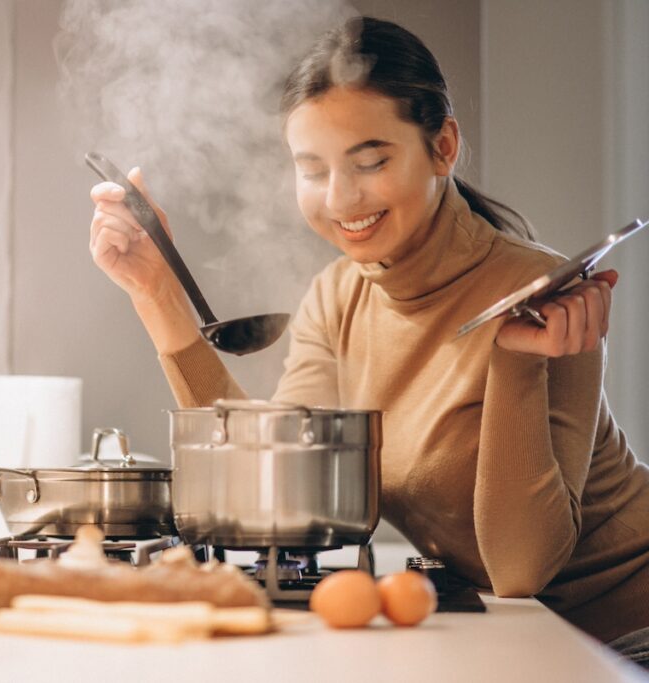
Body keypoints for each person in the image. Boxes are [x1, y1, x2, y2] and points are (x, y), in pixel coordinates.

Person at [86, 16, 649, 668]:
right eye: (312, 169)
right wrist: (156, 294)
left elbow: (520, 569)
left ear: (443, 147)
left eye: (371, 160)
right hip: (522, 640)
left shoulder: (542, 292)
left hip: (627, 631)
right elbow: (270, 478)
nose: (340, 197)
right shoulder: (336, 296)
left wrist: (515, 360)